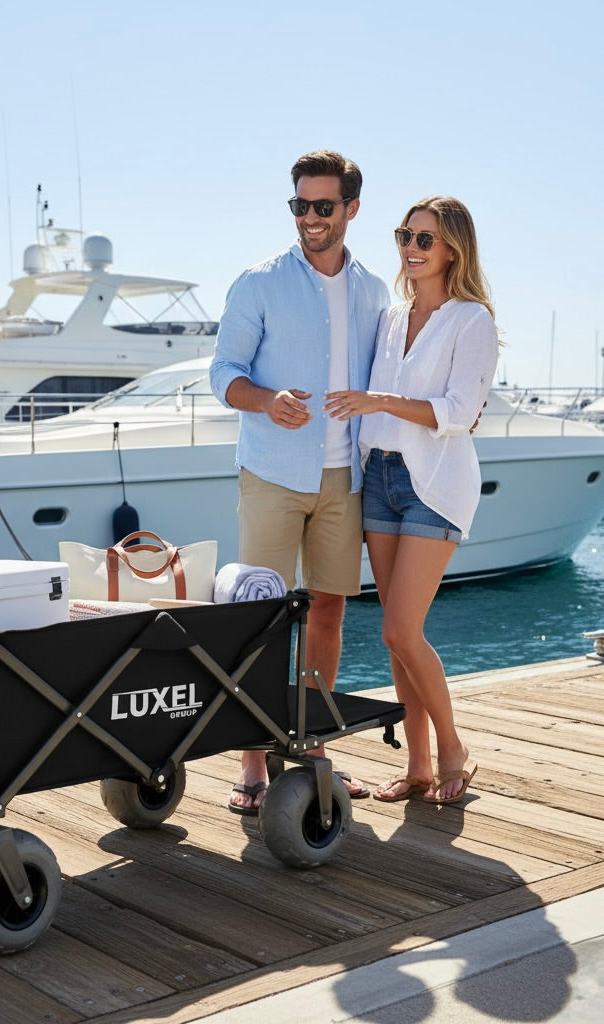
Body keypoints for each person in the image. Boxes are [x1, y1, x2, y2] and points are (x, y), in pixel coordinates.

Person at [209, 149, 390, 814]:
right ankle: (254, 758)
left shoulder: (374, 290)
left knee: (331, 609)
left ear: (350, 210)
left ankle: (312, 746)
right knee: (260, 613)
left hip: (345, 475)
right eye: (300, 206)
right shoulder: (257, 283)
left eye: (322, 207)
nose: (310, 218)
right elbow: (223, 370)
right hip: (273, 472)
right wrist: (264, 400)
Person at [323, 196, 499, 804]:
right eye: (405, 236)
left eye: (425, 239)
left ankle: (453, 748)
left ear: (453, 248)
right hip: (380, 475)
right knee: (397, 636)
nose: (411, 249)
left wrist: (381, 402)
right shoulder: (392, 317)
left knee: (401, 628)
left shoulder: (472, 320)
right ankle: (419, 766)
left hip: (434, 484)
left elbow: (459, 413)